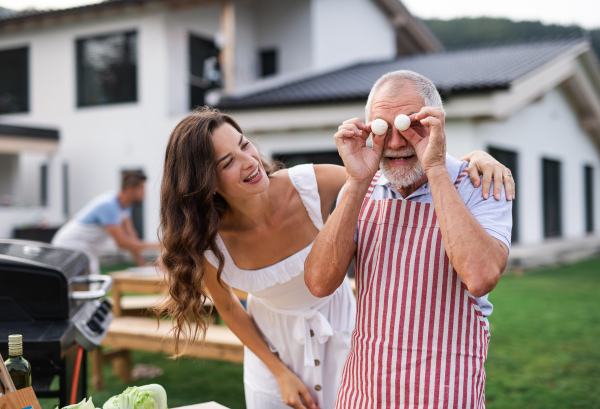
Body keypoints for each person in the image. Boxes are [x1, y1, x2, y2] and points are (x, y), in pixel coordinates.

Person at [156, 107, 513, 409]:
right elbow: (231, 308)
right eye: (227, 162)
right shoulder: (206, 243)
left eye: (244, 144)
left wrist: (472, 160)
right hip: (272, 350)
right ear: (205, 181)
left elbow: (390, 175)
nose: (250, 161)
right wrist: (279, 372)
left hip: (344, 331)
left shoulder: (308, 184)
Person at [305, 70, 513, 408]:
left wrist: (435, 169)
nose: (397, 143)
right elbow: (318, 282)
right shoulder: (360, 189)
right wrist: (356, 183)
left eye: (410, 126)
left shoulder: (481, 184)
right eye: (383, 129)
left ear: (435, 125)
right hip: (365, 390)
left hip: (446, 391)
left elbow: (480, 277)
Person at [52, 170, 159, 274]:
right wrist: (157, 245)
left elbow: (131, 237)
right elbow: (122, 242)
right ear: (130, 190)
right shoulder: (109, 205)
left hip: (87, 248)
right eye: (141, 189)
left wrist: (142, 265)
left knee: (91, 285)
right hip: (71, 245)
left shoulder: (125, 207)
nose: (144, 194)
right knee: (85, 286)